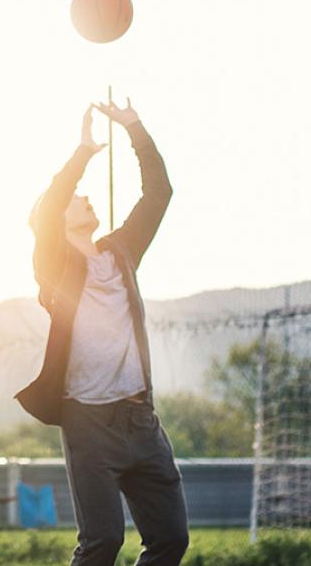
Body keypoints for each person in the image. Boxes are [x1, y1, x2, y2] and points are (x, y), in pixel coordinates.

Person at [16, 100, 186, 566]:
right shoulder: (54, 265)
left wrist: (135, 127)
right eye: (76, 199)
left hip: (141, 420)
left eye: (84, 195)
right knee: (102, 543)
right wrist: (82, 152)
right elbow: (49, 208)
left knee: (171, 540)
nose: (84, 198)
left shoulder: (122, 252)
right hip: (88, 424)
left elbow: (159, 193)